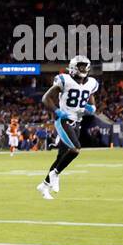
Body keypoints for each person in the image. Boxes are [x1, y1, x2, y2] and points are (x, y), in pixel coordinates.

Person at [37, 55, 98, 199]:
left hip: (77, 123)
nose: (82, 69)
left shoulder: (92, 83)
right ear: (73, 67)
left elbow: (91, 102)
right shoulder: (65, 80)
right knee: (75, 148)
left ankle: (44, 186)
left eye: (84, 66)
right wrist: (57, 111)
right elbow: (46, 98)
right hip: (63, 121)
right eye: (80, 66)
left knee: (61, 157)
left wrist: (91, 108)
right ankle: (55, 174)